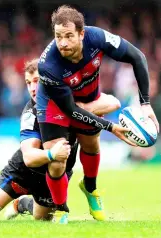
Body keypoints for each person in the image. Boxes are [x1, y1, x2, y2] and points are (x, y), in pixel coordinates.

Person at [0, 59, 120, 224]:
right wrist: (53, 154)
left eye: (37, 81)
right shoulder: (31, 112)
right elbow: (29, 157)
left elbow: (113, 102)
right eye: (28, 83)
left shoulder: (70, 99)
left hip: (54, 176)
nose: (33, 88)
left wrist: (78, 109)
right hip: (24, 172)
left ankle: (23, 204)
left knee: (42, 219)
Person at [36, 5, 159, 222]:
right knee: (57, 161)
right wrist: (111, 127)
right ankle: (62, 208)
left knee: (91, 145)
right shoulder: (48, 65)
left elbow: (137, 57)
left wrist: (145, 104)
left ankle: (90, 189)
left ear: (82, 34)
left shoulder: (98, 37)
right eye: (58, 36)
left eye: (68, 36)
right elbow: (71, 111)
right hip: (55, 105)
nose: (62, 43)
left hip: (89, 98)